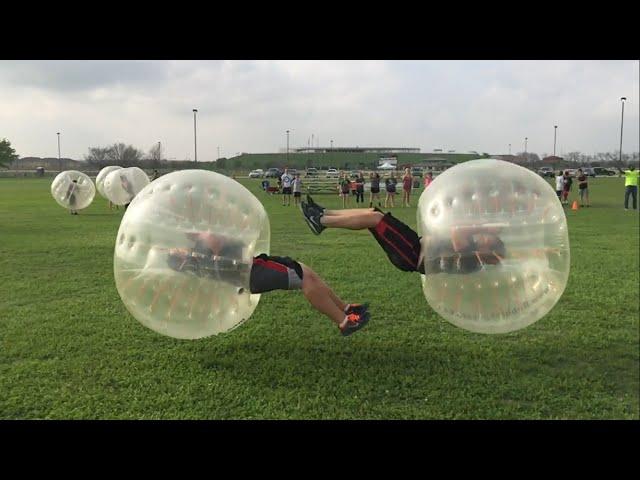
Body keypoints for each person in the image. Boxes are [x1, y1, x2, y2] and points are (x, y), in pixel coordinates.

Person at [167, 231, 370, 336]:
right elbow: (216, 240)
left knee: (306, 271)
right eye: (175, 252)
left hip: (255, 266)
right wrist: (198, 233)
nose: (177, 248)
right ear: (181, 261)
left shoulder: (198, 257)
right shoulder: (199, 259)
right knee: (304, 278)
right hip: (254, 272)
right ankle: (344, 322)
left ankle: (345, 308)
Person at [301, 195, 505, 277]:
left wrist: (481, 228)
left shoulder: (472, 260)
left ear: (488, 252)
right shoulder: (472, 249)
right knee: (374, 212)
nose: (484, 238)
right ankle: (324, 212)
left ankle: (320, 222)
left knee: (375, 219)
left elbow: (456, 232)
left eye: (488, 241)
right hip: (415, 244)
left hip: (412, 255)